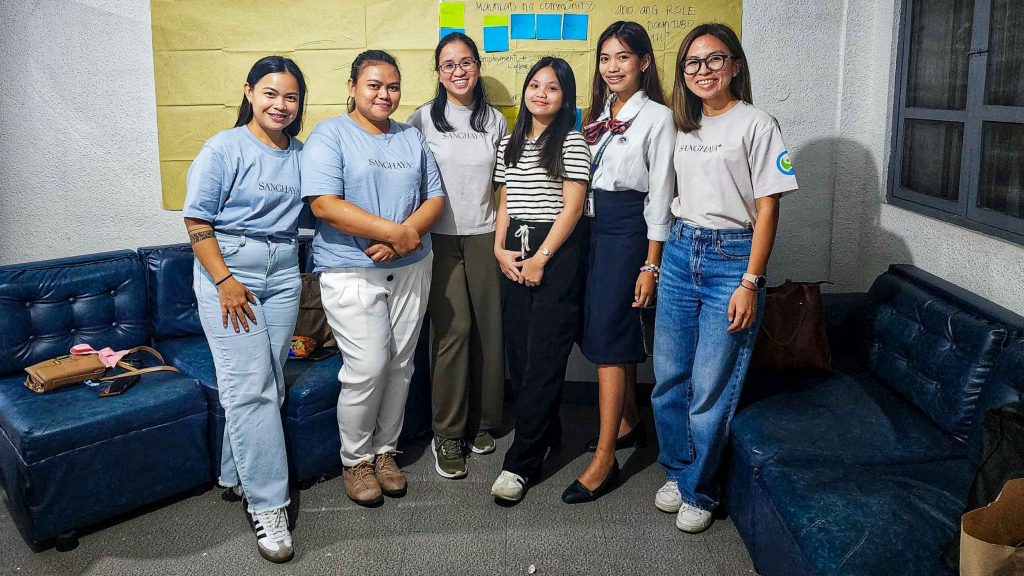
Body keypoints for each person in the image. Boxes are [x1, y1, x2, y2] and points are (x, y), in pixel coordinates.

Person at [652, 22, 798, 533]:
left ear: (735, 65)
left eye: (715, 60)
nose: (703, 70)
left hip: (731, 260)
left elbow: (768, 207)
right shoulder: (681, 125)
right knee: (669, 377)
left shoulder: (757, 124)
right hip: (679, 250)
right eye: (693, 63)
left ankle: (700, 488)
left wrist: (751, 282)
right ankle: (676, 469)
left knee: (711, 384)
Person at [299, 50, 444, 507]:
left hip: (411, 266)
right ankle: (355, 460)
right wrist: (395, 233)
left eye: (393, 86)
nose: (385, 95)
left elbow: (435, 198)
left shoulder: (411, 138)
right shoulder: (330, 135)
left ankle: (385, 452)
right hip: (350, 269)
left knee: (401, 365)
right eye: (374, 85)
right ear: (352, 87)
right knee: (366, 368)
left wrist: (404, 239)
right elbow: (324, 204)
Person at [183, 55, 307, 563]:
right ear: (250, 92)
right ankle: (269, 505)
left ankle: (235, 475)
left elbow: (321, 207)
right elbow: (196, 222)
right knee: (251, 387)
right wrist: (225, 281)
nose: (281, 105)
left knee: (271, 378)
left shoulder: (302, 152)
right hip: (232, 273)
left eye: (291, 97)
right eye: (271, 94)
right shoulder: (223, 148)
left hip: (285, 273)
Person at [564, 21, 676, 504]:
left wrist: (651, 264)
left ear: (644, 62)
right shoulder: (597, 114)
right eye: (606, 58)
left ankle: (606, 458)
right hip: (591, 227)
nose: (612, 67)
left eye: (623, 57)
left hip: (629, 230)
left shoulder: (658, 118)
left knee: (610, 337)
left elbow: (661, 197)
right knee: (602, 328)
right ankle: (629, 422)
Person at [489, 57, 592, 503]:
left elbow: (572, 207)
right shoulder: (509, 143)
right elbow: (506, 198)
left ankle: (521, 463)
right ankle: (549, 434)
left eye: (552, 88)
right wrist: (498, 247)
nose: (541, 94)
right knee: (520, 353)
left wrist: (542, 258)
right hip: (515, 245)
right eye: (534, 85)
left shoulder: (571, 142)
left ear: (565, 97)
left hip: (557, 249)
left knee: (545, 357)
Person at [407, 33, 508, 480]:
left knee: (489, 329)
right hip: (440, 239)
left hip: (486, 235)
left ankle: (483, 421)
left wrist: (502, 238)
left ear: (478, 66)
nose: (458, 71)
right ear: (438, 72)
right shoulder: (421, 120)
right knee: (453, 329)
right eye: (448, 65)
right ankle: (446, 431)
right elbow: (408, 183)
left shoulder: (495, 121)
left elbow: (504, 185)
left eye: (465, 62)